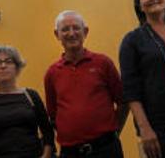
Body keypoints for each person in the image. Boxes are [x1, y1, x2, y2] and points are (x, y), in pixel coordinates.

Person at [44, 10, 127, 158]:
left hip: (106, 149)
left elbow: (122, 102)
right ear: (57, 35)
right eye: (65, 29)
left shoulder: (103, 63)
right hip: (71, 153)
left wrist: (114, 131)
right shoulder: (52, 73)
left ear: (85, 31)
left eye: (76, 28)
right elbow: (53, 115)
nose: (71, 33)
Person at [119, 0, 165, 158]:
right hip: (159, 127)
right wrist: (145, 129)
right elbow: (130, 90)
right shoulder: (132, 41)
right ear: (140, 5)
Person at [0, 45, 54, 158]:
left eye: (8, 61)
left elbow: (48, 132)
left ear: (17, 67)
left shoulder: (31, 96)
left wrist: (46, 155)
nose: (3, 66)